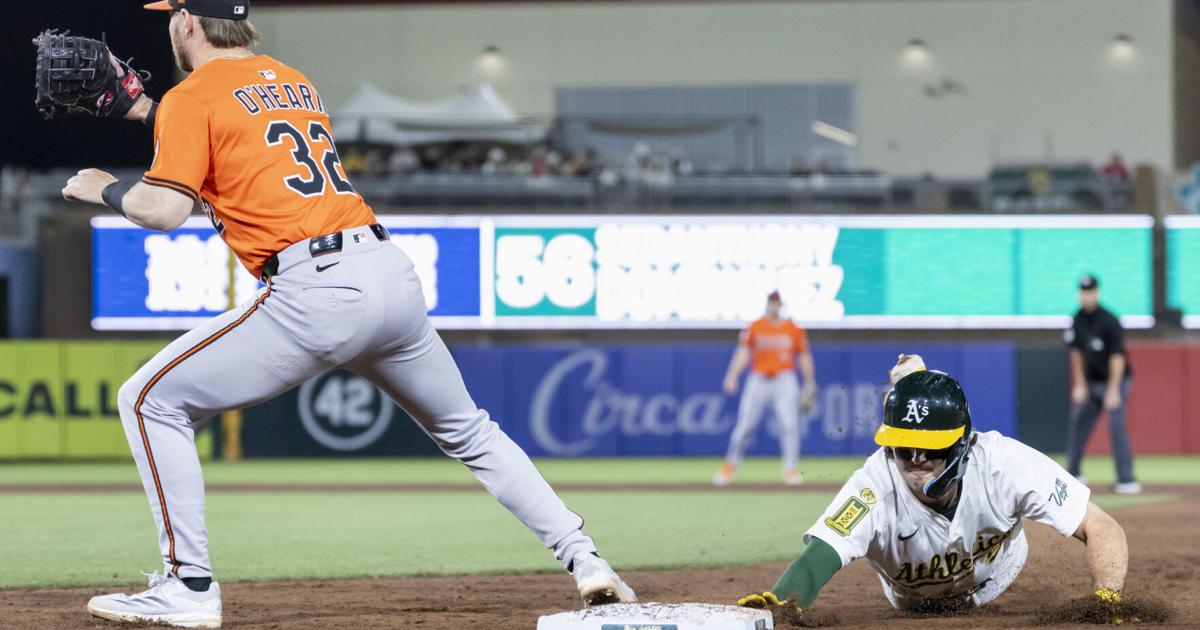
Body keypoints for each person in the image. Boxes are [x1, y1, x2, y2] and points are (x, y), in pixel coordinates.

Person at [60, 1, 634, 627]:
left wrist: (105, 188)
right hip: (387, 274)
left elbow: (164, 210)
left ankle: (187, 586)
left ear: (190, 23)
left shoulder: (192, 96)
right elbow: (236, 143)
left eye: (173, 13)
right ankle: (588, 561)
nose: (169, 21)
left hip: (316, 290)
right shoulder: (292, 80)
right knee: (472, 432)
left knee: (147, 401)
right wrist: (147, 111)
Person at [738, 354, 1130, 617]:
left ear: (961, 444)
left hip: (1000, 578)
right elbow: (817, 558)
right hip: (912, 604)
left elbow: (1101, 526)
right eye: (903, 446)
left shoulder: (1004, 463)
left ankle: (914, 380)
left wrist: (1107, 599)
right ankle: (913, 382)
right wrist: (779, 607)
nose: (916, 458)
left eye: (930, 447)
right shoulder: (874, 486)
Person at [714, 291, 817, 486]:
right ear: (767, 304)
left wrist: (810, 381)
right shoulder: (755, 326)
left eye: (776, 303)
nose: (773, 306)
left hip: (784, 379)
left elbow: (804, 355)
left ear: (781, 305)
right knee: (744, 427)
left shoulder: (793, 328)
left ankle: (790, 469)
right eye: (771, 302)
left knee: (789, 425)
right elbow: (743, 351)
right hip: (758, 379)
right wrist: (732, 374)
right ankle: (730, 465)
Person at [1064, 274, 1140, 494]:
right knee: (1078, 422)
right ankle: (1073, 473)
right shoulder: (1077, 319)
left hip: (1115, 381)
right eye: (1083, 291)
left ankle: (1126, 479)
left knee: (1116, 426)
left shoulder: (1109, 320)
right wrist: (1080, 384)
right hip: (1091, 382)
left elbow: (1117, 357)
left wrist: (1113, 390)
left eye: (1090, 291)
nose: (1086, 295)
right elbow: (1076, 353)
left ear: (1097, 293)